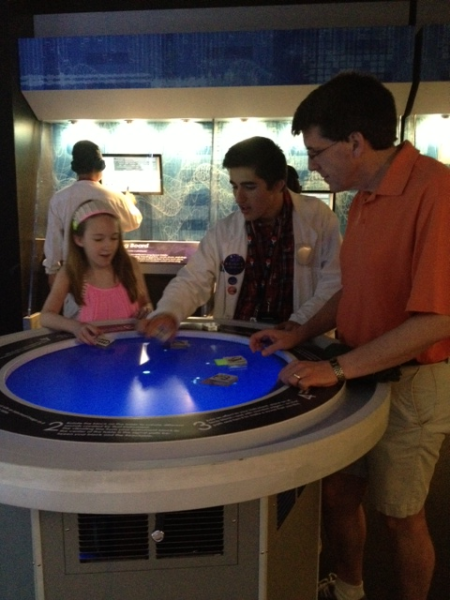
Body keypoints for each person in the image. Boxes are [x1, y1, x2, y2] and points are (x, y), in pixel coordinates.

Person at [249, 72, 450, 600]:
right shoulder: (361, 196)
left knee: (401, 517)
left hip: (412, 382)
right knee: (339, 495)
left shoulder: (437, 191)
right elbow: (352, 288)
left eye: (316, 152)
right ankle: (349, 590)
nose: (311, 165)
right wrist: (299, 332)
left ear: (355, 142)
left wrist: (335, 368)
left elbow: (436, 319)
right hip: (359, 373)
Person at [138, 136, 341, 341]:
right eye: (235, 186)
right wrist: (169, 311)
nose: (239, 197)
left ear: (279, 185)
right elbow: (193, 280)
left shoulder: (318, 219)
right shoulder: (225, 230)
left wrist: (301, 322)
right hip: (237, 341)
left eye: (249, 187)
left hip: (297, 341)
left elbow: (334, 283)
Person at [41, 199, 152, 345]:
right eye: (98, 239)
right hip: (88, 359)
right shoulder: (70, 272)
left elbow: (146, 303)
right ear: (79, 240)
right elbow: (46, 316)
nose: (108, 246)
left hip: (129, 354)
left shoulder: (131, 266)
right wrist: (75, 327)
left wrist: (146, 313)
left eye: (114, 238)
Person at [43, 140, 143, 288]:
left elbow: (53, 240)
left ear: (75, 168)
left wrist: (52, 270)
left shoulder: (59, 198)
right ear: (101, 166)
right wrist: (130, 201)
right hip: (110, 273)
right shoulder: (115, 197)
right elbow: (133, 222)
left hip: (73, 273)